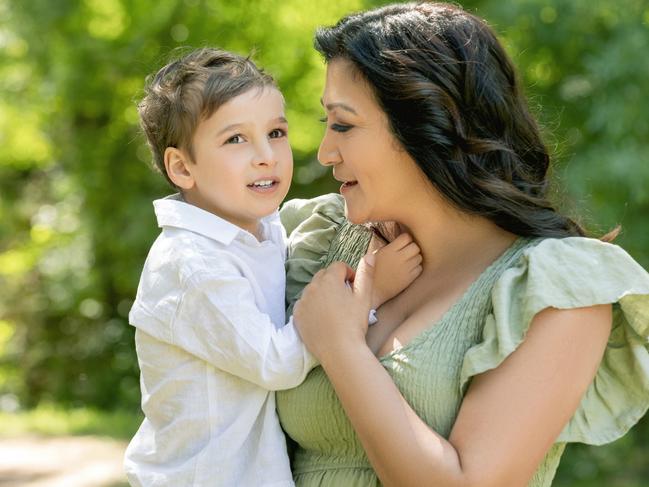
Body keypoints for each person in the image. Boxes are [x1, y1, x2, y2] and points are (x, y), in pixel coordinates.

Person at [275, 3, 649, 486]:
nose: (326, 151)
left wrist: (341, 348)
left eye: (344, 124)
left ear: (428, 124)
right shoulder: (324, 244)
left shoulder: (555, 289)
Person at [123, 47, 422, 486]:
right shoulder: (193, 265)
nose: (266, 155)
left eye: (276, 133)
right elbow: (276, 362)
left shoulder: (260, 229)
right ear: (182, 167)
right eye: (235, 139)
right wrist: (370, 291)